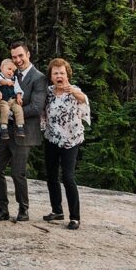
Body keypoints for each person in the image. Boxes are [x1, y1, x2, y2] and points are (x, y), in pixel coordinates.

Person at [0, 40, 47, 222]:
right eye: (14, 57)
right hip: (4, 130)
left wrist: (15, 113)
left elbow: (37, 107)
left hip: (24, 131)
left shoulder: (38, 78)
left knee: (17, 173)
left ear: (28, 54)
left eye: (21, 56)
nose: (18, 60)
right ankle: (2, 208)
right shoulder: (7, 74)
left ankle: (24, 209)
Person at [42, 58, 90, 230]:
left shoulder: (74, 90)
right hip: (52, 138)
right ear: (51, 76)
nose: (59, 76)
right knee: (51, 175)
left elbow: (84, 100)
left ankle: (75, 217)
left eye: (62, 72)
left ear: (67, 74)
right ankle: (57, 210)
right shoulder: (48, 92)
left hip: (71, 141)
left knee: (68, 177)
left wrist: (72, 91)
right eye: (55, 73)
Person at [0, 58, 25, 140]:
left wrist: (18, 97)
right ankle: (4, 127)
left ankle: (20, 126)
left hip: (12, 99)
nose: (11, 72)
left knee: (18, 108)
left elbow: (18, 89)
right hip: (2, 99)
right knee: (5, 109)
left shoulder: (14, 78)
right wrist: (7, 82)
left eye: (13, 71)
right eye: (9, 69)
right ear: (1, 68)